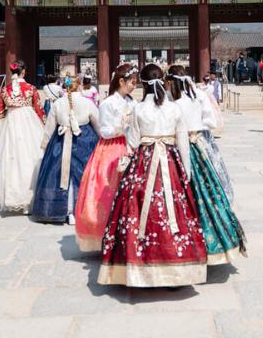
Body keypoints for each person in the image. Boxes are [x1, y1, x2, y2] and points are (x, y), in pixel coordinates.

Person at [98, 63, 207, 287]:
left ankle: (140, 267)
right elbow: (183, 143)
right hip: (170, 161)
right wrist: (185, 172)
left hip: (144, 163)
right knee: (173, 211)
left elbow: (132, 142)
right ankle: (176, 268)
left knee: (138, 212)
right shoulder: (175, 108)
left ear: (144, 85)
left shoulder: (138, 109)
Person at [166, 68, 246, 265]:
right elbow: (211, 121)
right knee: (209, 192)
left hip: (181, 147)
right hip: (199, 146)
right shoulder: (198, 96)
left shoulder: (172, 101)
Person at [74, 63, 138, 251]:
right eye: (132, 82)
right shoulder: (108, 103)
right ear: (121, 81)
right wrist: (122, 128)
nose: (134, 86)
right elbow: (103, 131)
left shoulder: (132, 102)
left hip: (129, 145)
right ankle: (106, 233)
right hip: (111, 148)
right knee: (108, 189)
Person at [32, 75, 100, 224]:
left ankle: (63, 210)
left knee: (60, 175)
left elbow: (50, 126)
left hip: (59, 142)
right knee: (82, 176)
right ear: (80, 86)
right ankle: (79, 210)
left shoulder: (58, 103)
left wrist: (45, 144)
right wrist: (102, 139)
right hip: (84, 142)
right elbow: (97, 122)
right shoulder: (87, 103)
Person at [169, 65, 233, 203]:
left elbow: (210, 121)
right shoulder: (188, 96)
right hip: (187, 141)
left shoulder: (188, 98)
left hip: (189, 142)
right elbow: (210, 121)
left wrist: (192, 129)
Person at [0, 60, 46, 214]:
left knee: (11, 158)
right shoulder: (31, 88)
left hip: (11, 125)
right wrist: (44, 125)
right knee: (31, 156)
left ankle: (13, 197)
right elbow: (39, 110)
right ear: (24, 72)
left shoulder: (5, 90)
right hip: (29, 124)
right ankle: (31, 198)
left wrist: (11, 109)